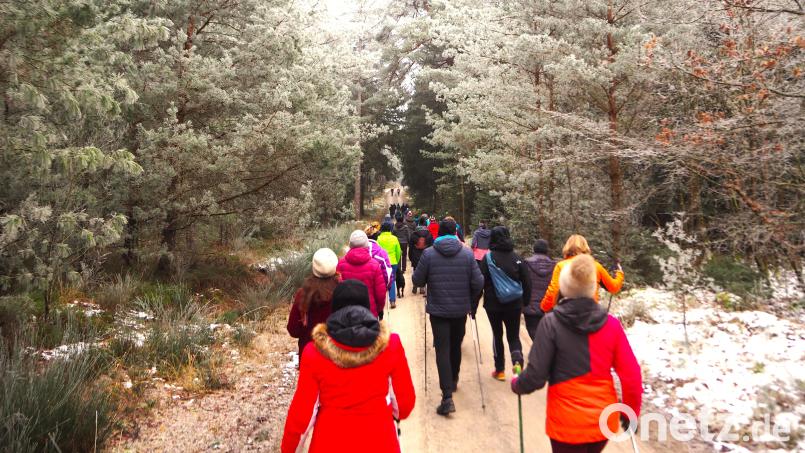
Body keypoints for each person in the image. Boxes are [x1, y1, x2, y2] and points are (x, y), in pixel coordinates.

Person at [511, 254, 642, 453]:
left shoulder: (551, 323)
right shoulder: (612, 325)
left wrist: (518, 384)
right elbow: (631, 375)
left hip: (566, 425)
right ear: (593, 288)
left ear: (564, 286)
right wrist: (630, 412)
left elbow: (536, 376)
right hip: (603, 422)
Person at [281, 280, 416, 453]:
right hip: (381, 441)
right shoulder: (390, 345)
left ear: (334, 310)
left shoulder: (314, 353)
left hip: (329, 442)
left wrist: (289, 449)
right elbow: (404, 406)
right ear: (367, 309)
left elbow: (302, 417)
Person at [412, 218, 484, 416]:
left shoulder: (429, 254)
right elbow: (479, 282)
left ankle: (447, 397)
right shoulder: (467, 254)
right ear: (455, 233)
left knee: (442, 349)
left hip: (438, 311)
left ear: (439, 233)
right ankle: (453, 380)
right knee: (455, 345)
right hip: (460, 309)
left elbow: (417, 279)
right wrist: (470, 300)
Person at [477, 226, 531, 381]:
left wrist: (473, 305)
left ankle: (500, 370)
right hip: (514, 304)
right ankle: (517, 366)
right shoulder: (517, 258)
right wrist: (525, 302)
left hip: (493, 304)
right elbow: (527, 282)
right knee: (513, 336)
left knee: (497, 334)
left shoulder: (488, 259)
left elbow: (480, 282)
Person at [540, 234, 624, 313]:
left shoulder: (561, 266)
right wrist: (620, 274)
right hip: (591, 314)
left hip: (567, 313)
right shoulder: (595, 266)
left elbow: (553, 291)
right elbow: (613, 287)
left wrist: (544, 307)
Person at [286, 248, 341, 364]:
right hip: (336, 356)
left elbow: (293, 329)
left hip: (309, 358)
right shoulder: (343, 291)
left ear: (314, 267)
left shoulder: (303, 294)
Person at [337, 231, 387, 317]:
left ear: (350, 245)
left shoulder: (340, 265)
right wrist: (379, 309)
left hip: (347, 315)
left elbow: (338, 291)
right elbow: (380, 294)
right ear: (367, 245)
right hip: (370, 314)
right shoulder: (375, 265)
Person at [523, 239, 556, 340]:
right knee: (547, 333)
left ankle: (540, 352)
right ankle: (543, 351)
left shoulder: (526, 263)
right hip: (549, 306)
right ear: (547, 250)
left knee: (532, 331)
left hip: (530, 305)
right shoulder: (555, 265)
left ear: (534, 249)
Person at [377, 222, 402, 309]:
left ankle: (382, 301)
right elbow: (398, 251)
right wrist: (397, 260)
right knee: (392, 280)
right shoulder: (394, 238)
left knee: (382, 281)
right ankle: (392, 300)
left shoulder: (379, 238)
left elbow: (377, 251)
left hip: (382, 262)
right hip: (393, 262)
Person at [408, 216, 433, 295]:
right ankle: (422, 288)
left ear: (418, 224)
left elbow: (411, 247)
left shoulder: (414, 234)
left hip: (416, 255)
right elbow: (432, 246)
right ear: (426, 224)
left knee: (416, 270)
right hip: (426, 255)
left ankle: (415, 285)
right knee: (426, 271)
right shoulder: (429, 234)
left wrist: (410, 257)